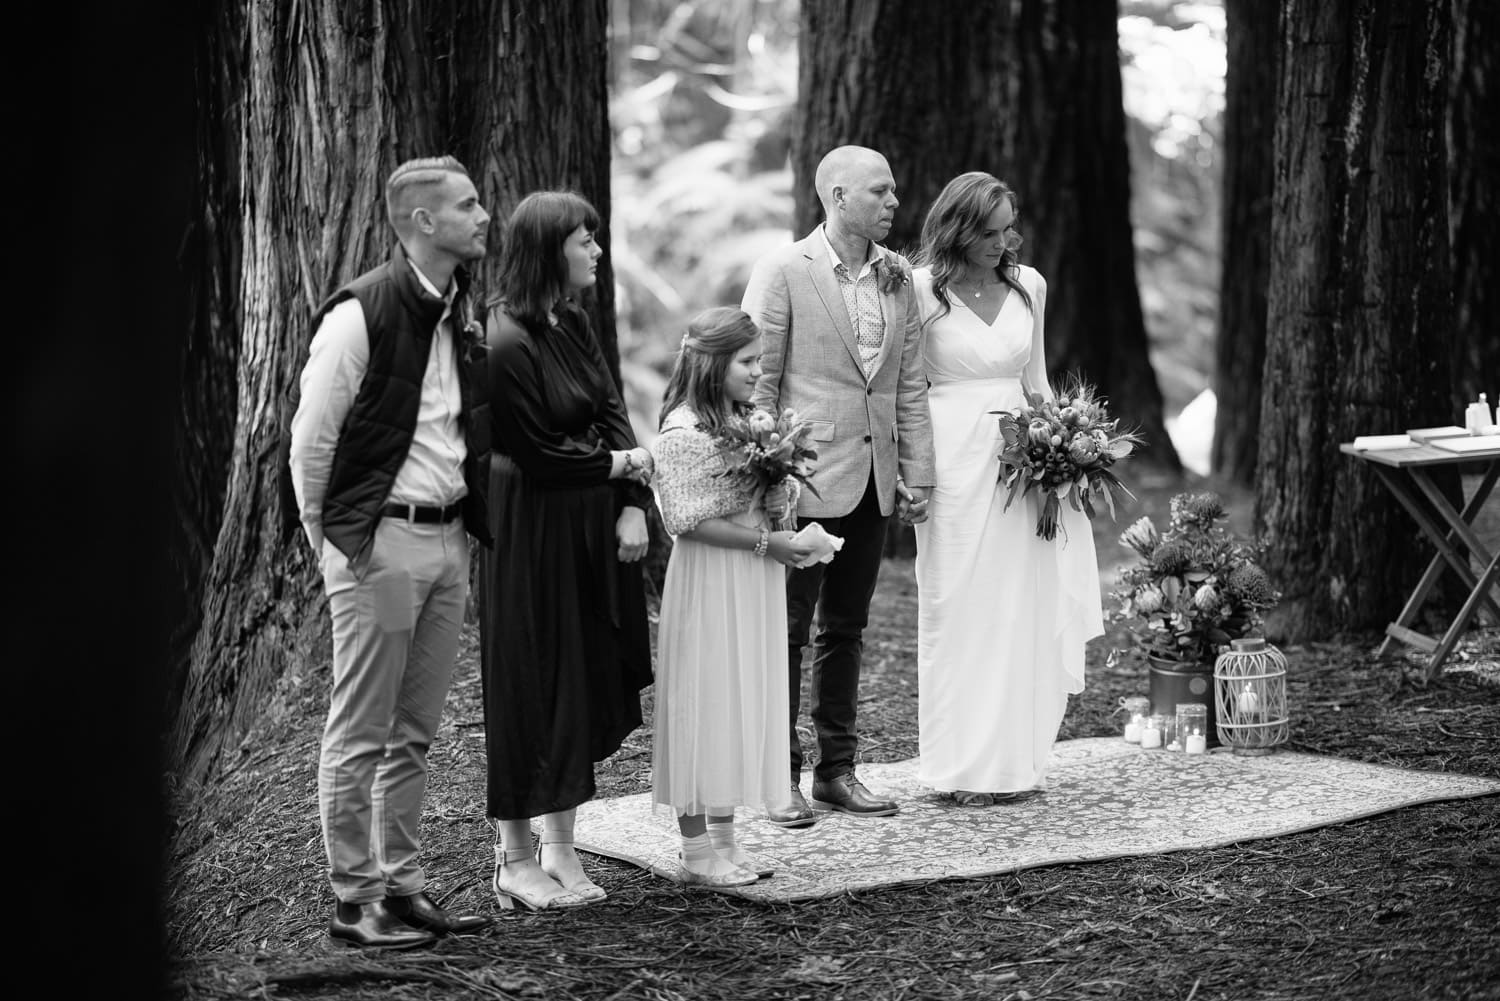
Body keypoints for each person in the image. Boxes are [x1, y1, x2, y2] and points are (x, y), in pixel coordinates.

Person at [289, 155, 495, 949]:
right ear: (422, 222)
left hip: (448, 546)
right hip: (379, 549)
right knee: (361, 726)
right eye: (468, 205)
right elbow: (311, 443)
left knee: (415, 727)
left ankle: (402, 886)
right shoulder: (360, 315)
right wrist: (336, 549)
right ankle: (354, 899)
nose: (483, 215)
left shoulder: (454, 306)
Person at [740, 145, 935, 826]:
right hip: (803, 483)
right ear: (838, 195)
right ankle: (776, 775)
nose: (893, 204)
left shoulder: (899, 278)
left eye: (893, 192)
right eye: (879, 192)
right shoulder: (784, 270)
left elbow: (908, 382)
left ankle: (838, 769)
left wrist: (917, 472)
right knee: (787, 632)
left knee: (846, 629)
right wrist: (766, 484)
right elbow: (756, 383)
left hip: (874, 479)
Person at [480, 190, 655, 910]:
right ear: (550, 248)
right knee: (530, 677)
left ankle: (561, 846)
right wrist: (624, 467)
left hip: (589, 524)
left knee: (578, 676)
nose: (597, 251)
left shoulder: (571, 321)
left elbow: (610, 411)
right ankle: (514, 857)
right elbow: (542, 452)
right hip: (529, 529)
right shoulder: (503, 340)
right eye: (585, 240)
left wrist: (630, 507)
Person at [909, 171, 1104, 804]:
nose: (1003, 242)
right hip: (951, 462)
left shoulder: (1029, 286)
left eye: (1007, 230)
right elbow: (906, 389)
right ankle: (955, 766)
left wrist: (1063, 456)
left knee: (1018, 604)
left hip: (1023, 463)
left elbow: (1037, 381)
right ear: (958, 230)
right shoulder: (919, 291)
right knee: (955, 606)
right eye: (989, 233)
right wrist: (913, 470)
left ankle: (1014, 762)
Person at [648, 307, 818, 885]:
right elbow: (688, 520)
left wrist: (779, 496)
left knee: (739, 696)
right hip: (710, 578)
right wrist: (769, 542)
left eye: (759, 361)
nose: (756, 372)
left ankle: (725, 837)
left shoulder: (748, 420)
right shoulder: (683, 431)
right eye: (747, 362)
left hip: (751, 574)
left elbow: (763, 493)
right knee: (705, 700)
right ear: (712, 362)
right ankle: (696, 851)